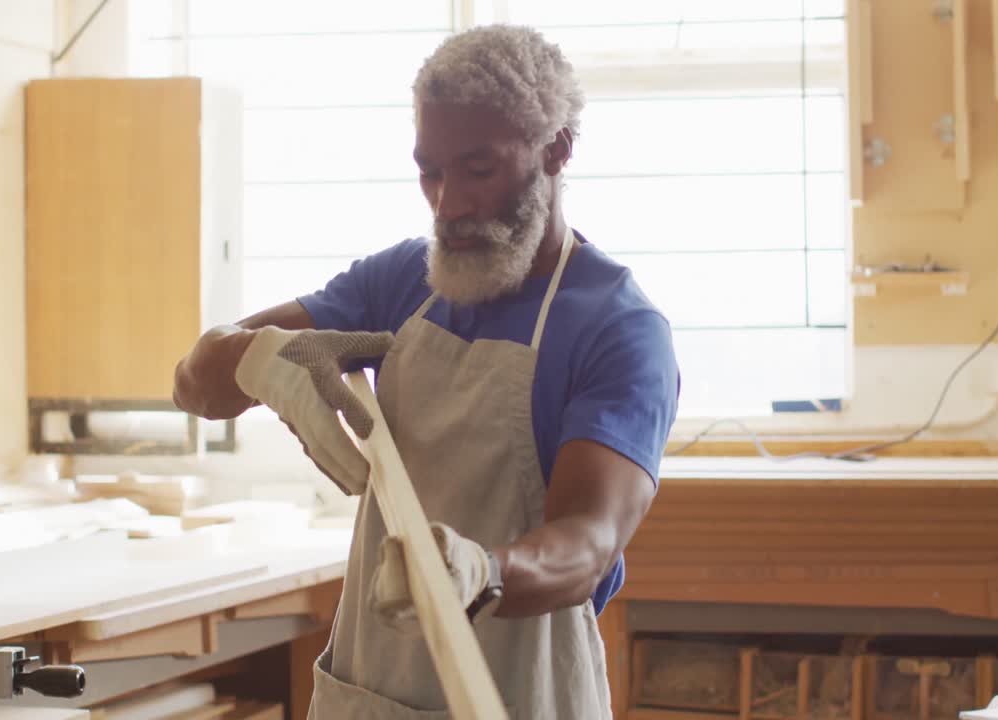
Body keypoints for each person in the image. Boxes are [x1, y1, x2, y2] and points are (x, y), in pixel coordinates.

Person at [173, 24, 680, 720]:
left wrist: (480, 573)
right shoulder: (403, 283)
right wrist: (260, 361)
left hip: (518, 688)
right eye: (430, 172)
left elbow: (586, 545)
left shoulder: (616, 327)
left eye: (479, 169)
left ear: (556, 149)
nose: (449, 204)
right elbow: (194, 386)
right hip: (371, 690)